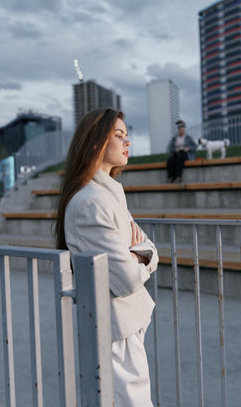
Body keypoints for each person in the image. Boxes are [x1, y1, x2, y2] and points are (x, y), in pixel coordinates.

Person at [55, 108, 158, 406]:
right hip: (115, 332)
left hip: (123, 327)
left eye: (127, 135)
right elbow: (126, 278)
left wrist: (140, 255)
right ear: (95, 143)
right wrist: (142, 258)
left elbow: (148, 248)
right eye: (119, 135)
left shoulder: (106, 195)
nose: (128, 142)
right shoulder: (92, 201)